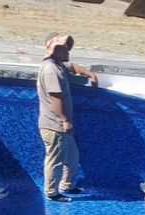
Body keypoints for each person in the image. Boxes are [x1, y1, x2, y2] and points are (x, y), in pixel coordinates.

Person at [37, 33, 99, 203]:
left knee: (72, 157)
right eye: (64, 48)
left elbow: (72, 66)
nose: (68, 51)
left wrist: (90, 74)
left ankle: (68, 185)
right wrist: (65, 120)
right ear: (54, 49)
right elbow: (55, 97)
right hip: (54, 125)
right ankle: (52, 192)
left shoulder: (58, 64)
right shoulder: (50, 70)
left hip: (60, 125)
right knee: (55, 160)